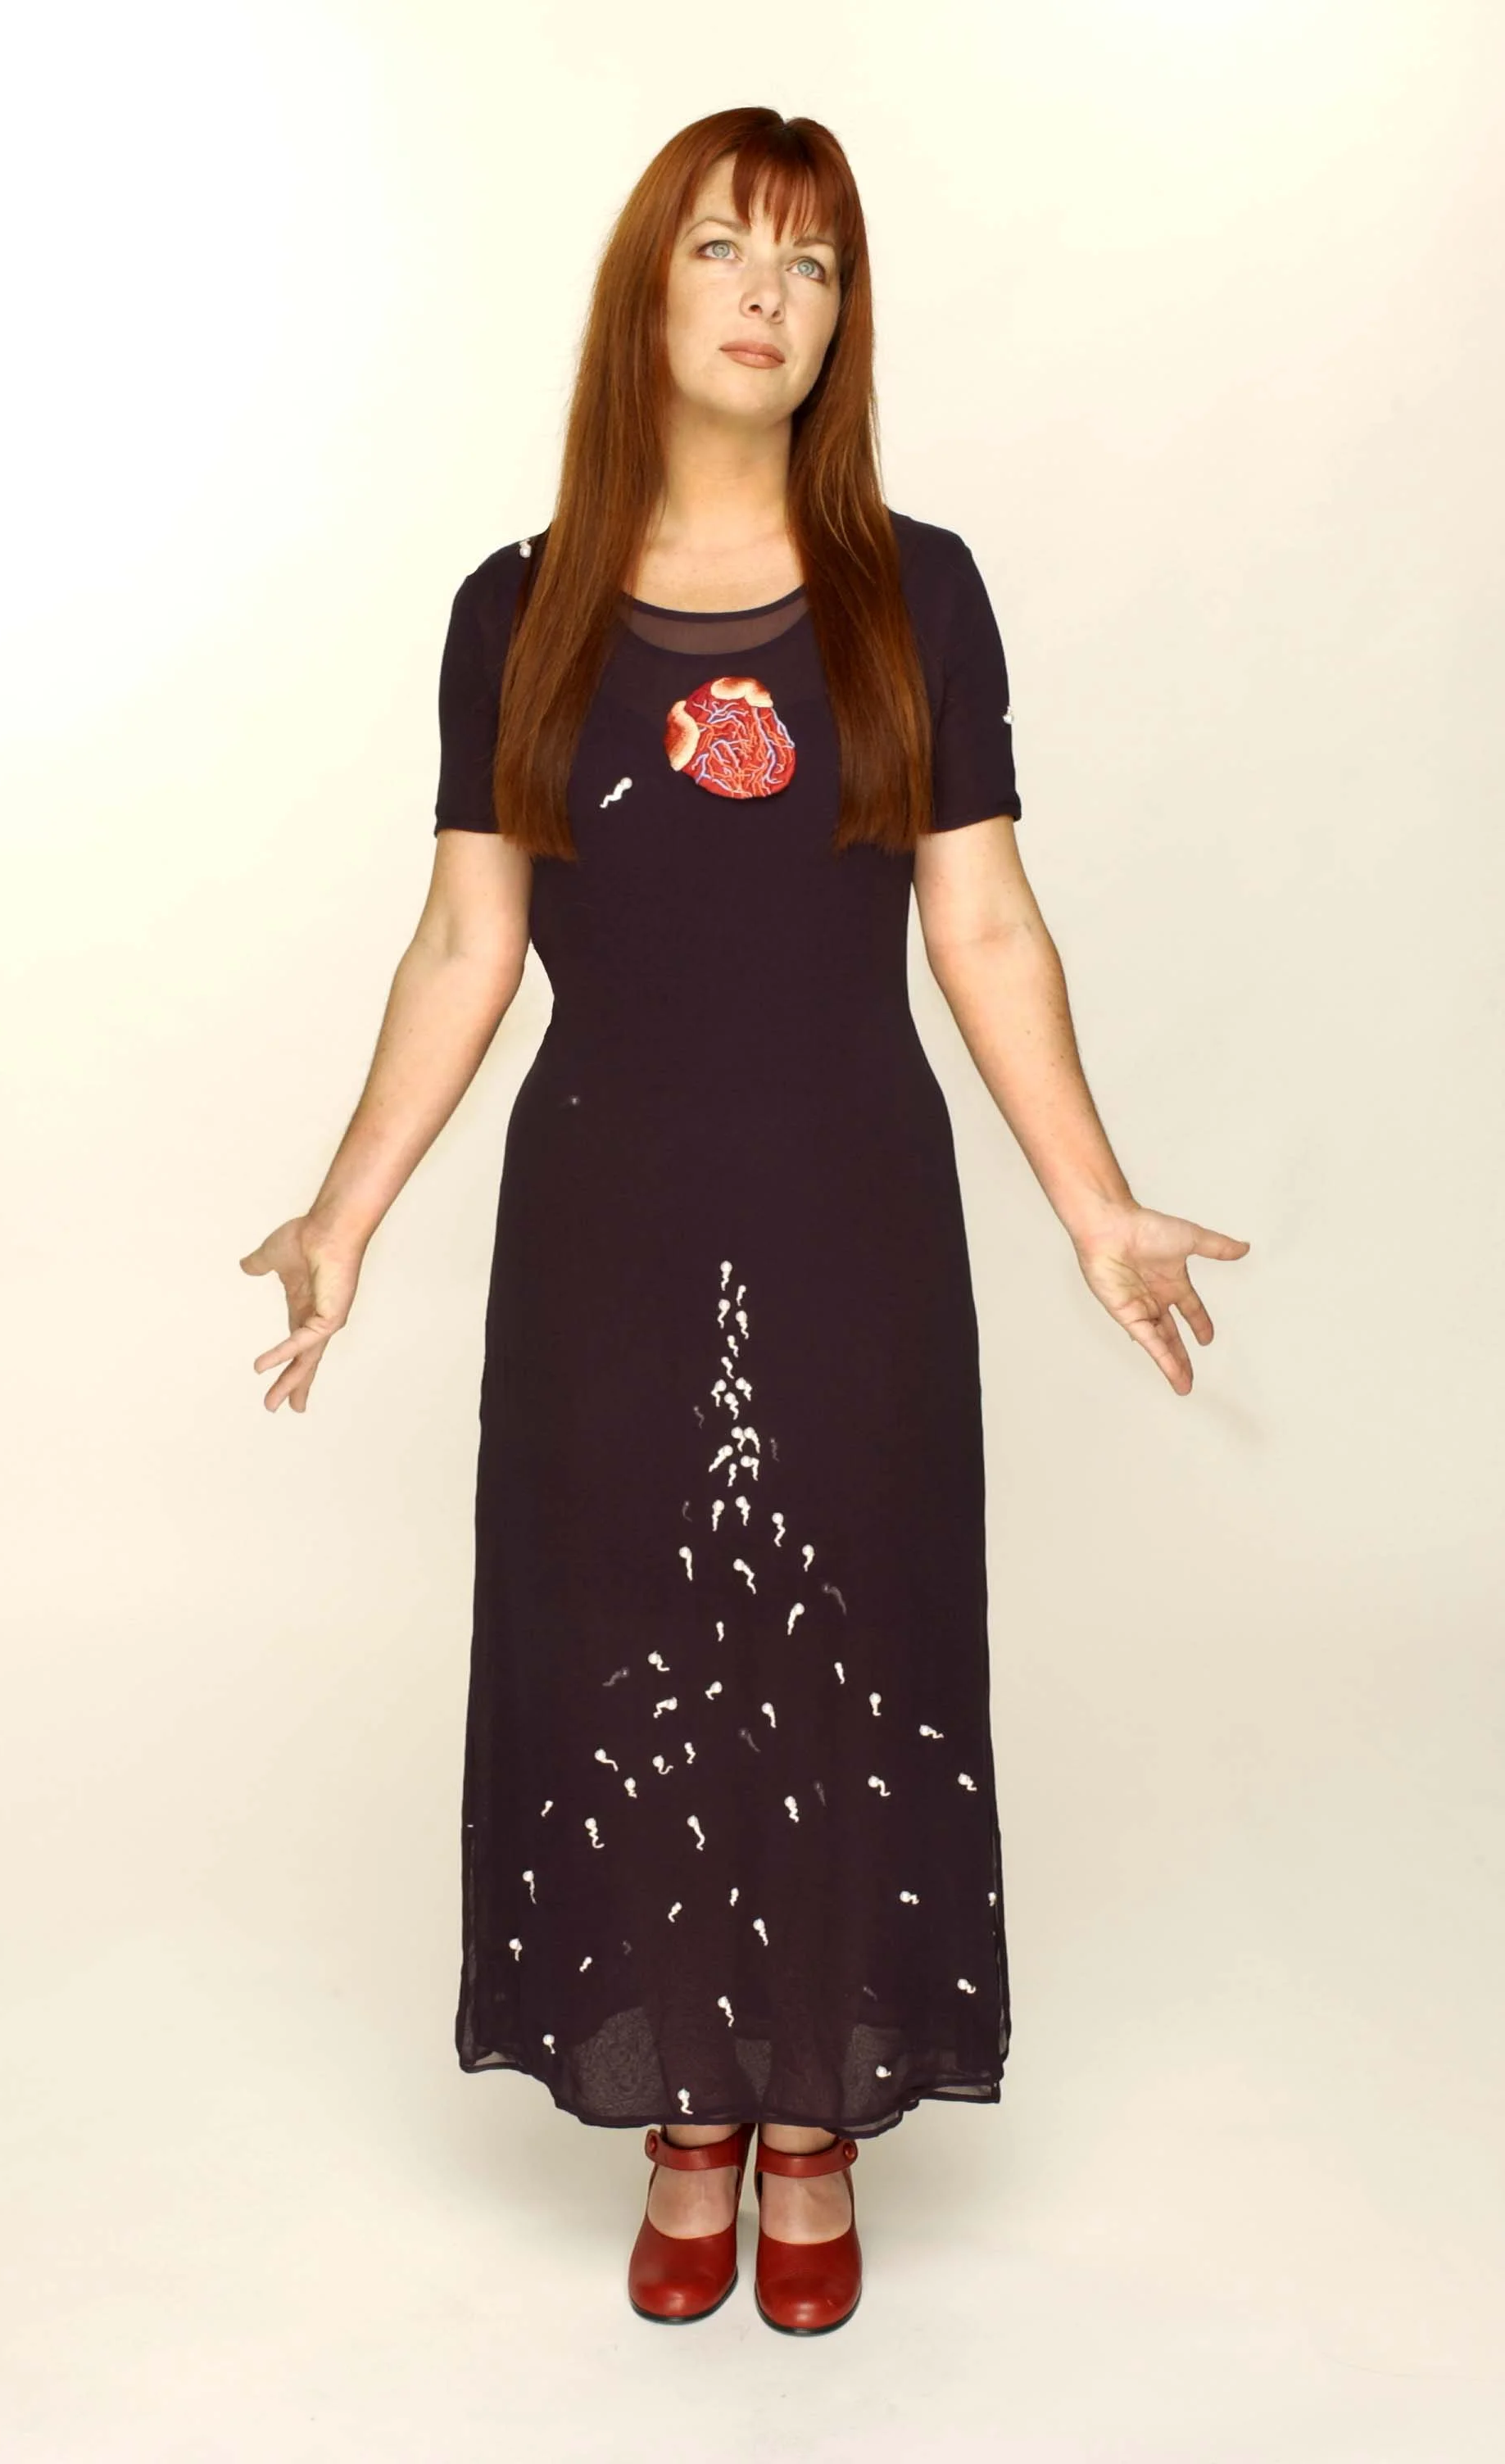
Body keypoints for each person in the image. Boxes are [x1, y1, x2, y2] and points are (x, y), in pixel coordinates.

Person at [238, 106, 1249, 2337]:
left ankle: (816, 2123)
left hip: (851, 1198)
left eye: (810, 263)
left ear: (841, 319)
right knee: (622, 1628)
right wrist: (344, 1212)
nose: (766, 295)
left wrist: (1092, 1205)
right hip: (600, 1209)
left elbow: (985, 923)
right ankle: (684, 2112)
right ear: (649, 292)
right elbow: (467, 941)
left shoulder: (918, 590)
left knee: (842, 1629)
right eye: (722, 248)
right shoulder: (518, 610)